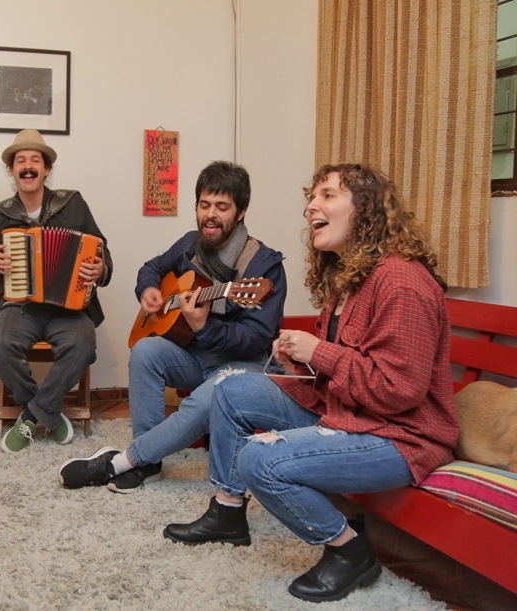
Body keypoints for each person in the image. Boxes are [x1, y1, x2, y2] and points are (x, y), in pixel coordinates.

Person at [163, 163, 457, 603]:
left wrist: (317, 351)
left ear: (367, 210)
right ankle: (227, 513)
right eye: (311, 198)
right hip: (343, 411)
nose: (310, 207)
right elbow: (349, 364)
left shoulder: (402, 281)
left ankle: (349, 550)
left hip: (399, 438)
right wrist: (299, 357)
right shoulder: (351, 278)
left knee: (261, 461)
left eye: (327, 196)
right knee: (231, 386)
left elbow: (399, 391)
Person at [59, 161, 287, 492]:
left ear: (241, 212)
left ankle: (126, 461)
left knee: (206, 400)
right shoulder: (188, 244)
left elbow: (256, 339)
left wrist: (204, 326)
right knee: (145, 350)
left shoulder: (263, 265)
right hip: (196, 355)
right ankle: (150, 464)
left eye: (222, 207)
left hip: (241, 366)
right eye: (204, 205)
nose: (211, 215)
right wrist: (149, 290)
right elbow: (151, 268)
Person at [0, 129, 112, 453]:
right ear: (12, 170)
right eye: (20, 161)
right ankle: (48, 413)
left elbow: (102, 250)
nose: (28, 167)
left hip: (67, 308)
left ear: (46, 169)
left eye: (35, 160)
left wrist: (101, 269)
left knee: (83, 343)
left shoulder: (73, 204)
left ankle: (30, 416)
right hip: (19, 307)